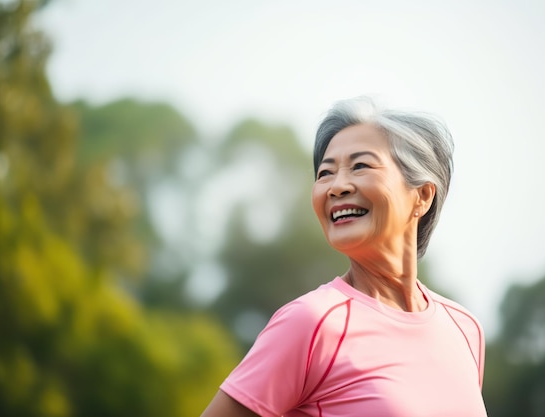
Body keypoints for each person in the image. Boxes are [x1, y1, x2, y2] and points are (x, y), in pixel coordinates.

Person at [200, 96, 487, 417]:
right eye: (325, 173)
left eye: (360, 166)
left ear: (421, 195)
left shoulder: (464, 329)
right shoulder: (311, 323)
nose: (336, 187)